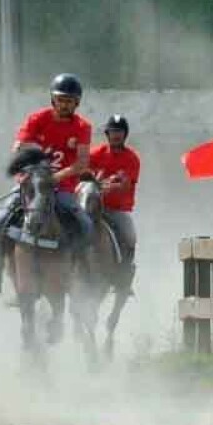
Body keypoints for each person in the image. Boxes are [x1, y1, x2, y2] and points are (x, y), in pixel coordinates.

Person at [0, 74, 94, 297]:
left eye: (70, 100)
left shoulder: (82, 127)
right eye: (61, 99)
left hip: (62, 187)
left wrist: (54, 179)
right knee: (0, 220)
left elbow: (81, 164)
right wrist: (34, 173)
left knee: (85, 224)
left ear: (77, 103)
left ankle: (81, 275)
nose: (65, 104)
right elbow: (19, 148)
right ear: (53, 99)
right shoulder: (36, 119)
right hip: (30, 185)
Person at [89, 114, 141, 296]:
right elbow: (82, 173)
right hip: (92, 206)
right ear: (107, 134)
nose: (116, 135)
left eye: (119, 132)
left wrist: (106, 185)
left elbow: (125, 183)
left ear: (125, 134)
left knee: (130, 235)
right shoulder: (96, 154)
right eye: (113, 132)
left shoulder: (132, 158)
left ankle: (123, 278)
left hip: (116, 210)